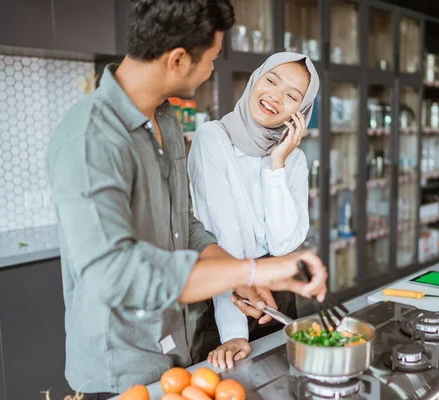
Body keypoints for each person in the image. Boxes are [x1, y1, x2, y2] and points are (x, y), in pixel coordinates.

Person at [45, 1, 327, 398]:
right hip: (122, 371)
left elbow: (185, 225)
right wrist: (252, 272)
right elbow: (117, 274)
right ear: (179, 60)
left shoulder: (165, 120)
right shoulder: (90, 140)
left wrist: (237, 274)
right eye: (211, 58)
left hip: (177, 349)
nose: (213, 68)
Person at [188, 52, 319, 369]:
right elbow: (223, 239)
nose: (276, 97)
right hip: (226, 296)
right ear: (254, 80)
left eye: (292, 96)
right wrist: (234, 333)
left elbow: (284, 245)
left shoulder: (294, 160)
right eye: (271, 81)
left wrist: (277, 165)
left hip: (277, 293)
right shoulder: (213, 138)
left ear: (300, 110)